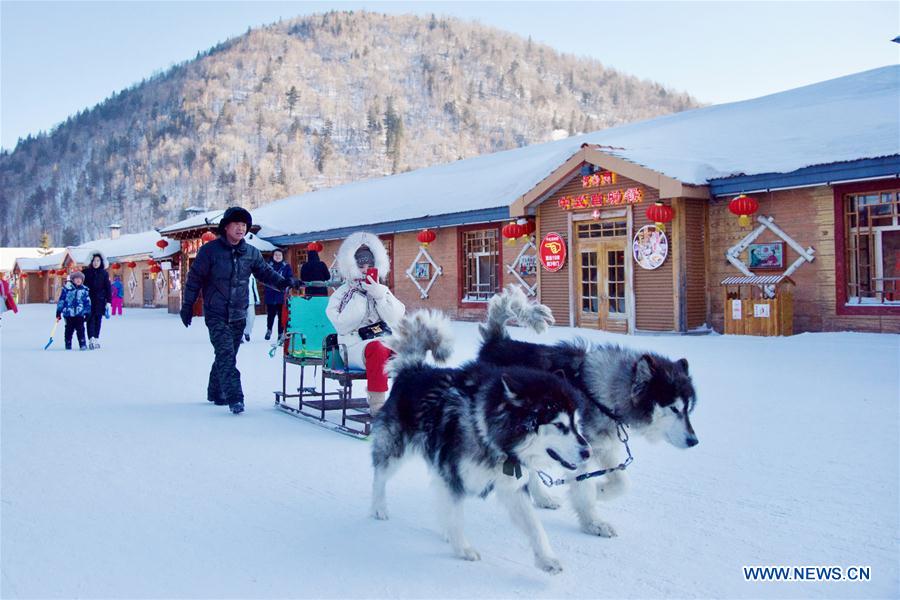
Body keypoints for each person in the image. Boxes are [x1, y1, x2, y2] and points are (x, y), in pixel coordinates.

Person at [180, 207, 299, 415]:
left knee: (227, 354)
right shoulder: (210, 252)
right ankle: (235, 397)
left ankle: (215, 391)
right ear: (226, 227)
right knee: (225, 353)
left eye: (244, 225)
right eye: (236, 224)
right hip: (216, 312)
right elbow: (194, 279)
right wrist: (187, 306)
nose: (240, 228)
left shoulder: (250, 253)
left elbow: (265, 273)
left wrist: (285, 283)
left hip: (238, 313)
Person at [325, 232, 405, 414]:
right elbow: (341, 324)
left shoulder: (379, 290)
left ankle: (408, 403)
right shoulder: (342, 293)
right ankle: (378, 405)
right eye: (361, 265)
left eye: (370, 265)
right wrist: (360, 297)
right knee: (377, 349)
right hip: (352, 347)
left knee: (411, 351)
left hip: (383, 340)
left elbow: (396, 318)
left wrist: (379, 294)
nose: (365, 269)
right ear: (352, 266)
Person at [56, 271, 91, 350]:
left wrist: (88, 312)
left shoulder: (84, 290)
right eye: (76, 278)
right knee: (69, 329)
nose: (78, 280)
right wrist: (58, 312)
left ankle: (82, 343)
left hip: (80, 314)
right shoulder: (67, 289)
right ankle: (68, 343)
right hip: (69, 314)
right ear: (72, 280)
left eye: (80, 279)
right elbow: (61, 300)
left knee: (81, 329)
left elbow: (87, 302)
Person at [263, 249, 293, 341]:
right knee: (271, 314)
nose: (278, 257)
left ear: (282, 256)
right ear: (273, 256)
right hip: (270, 292)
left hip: (281, 294)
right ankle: (269, 330)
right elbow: (264, 277)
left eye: (280, 255)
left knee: (281, 315)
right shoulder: (268, 266)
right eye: (276, 255)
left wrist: (288, 283)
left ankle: (280, 333)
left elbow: (290, 277)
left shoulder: (286, 266)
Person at [83, 253, 111, 349]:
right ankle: (91, 338)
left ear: (101, 262)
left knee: (98, 320)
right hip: (89, 300)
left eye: (98, 261)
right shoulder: (86, 272)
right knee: (90, 319)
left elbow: (108, 288)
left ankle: (96, 337)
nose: (96, 263)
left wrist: (108, 302)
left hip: (100, 300)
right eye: (94, 261)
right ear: (91, 261)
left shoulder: (104, 273)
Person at [243, 273, 259, 342]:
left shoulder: (251, 276)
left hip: (250, 300)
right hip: (240, 301)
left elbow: (254, 288)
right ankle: (240, 336)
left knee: (251, 318)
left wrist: (257, 299)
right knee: (240, 319)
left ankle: (246, 332)